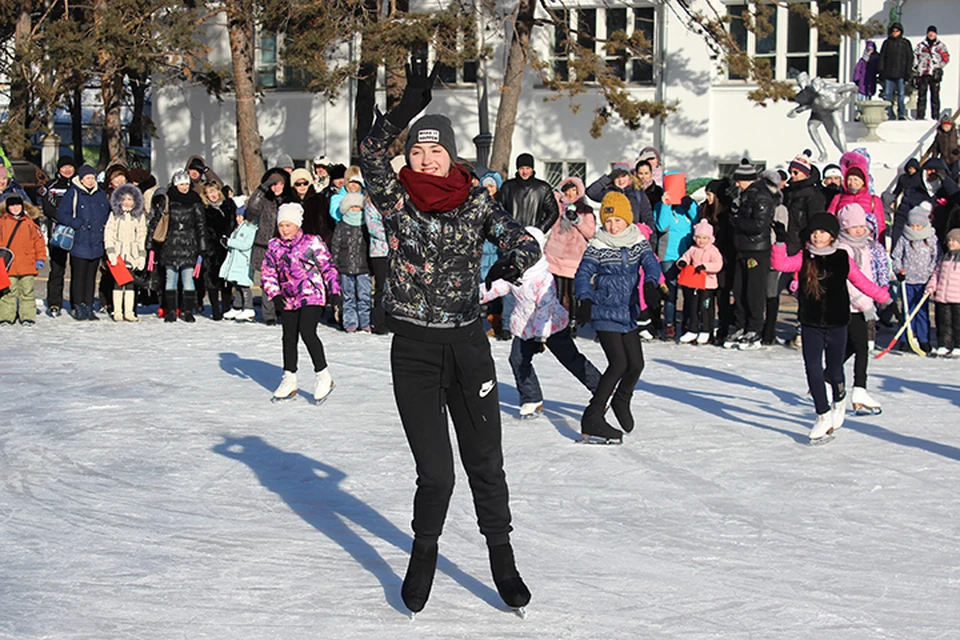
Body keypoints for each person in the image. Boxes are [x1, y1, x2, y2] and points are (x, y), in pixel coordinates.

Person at [358, 64, 539, 615]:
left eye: (436, 151)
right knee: (435, 473)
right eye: (417, 151)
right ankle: (424, 553)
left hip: (466, 347)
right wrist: (403, 110)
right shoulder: (395, 200)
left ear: (453, 155)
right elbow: (369, 152)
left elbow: (521, 240)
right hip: (413, 351)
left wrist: (512, 259)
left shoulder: (476, 201)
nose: (426, 159)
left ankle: (502, 562)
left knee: (485, 461)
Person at [770, 213, 891, 443]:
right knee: (813, 368)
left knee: (834, 371)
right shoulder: (804, 257)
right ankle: (822, 414)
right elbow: (780, 264)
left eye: (823, 232)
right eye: (814, 232)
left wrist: (886, 299)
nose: (817, 236)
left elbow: (862, 283)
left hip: (837, 323)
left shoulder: (843, 257)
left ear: (832, 235)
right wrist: (779, 243)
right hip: (810, 323)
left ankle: (839, 400)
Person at [482, 226, 601, 418]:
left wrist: (541, 336)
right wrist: (472, 295)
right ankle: (532, 398)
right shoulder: (515, 273)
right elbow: (496, 287)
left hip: (551, 327)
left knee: (570, 359)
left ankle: (601, 388)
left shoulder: (544, 277)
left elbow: (544, 309)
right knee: (518, 360)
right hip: (525, 327)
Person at [575, 191, 662, 442]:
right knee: (619, 364)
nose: (612, 226)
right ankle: (593, 416)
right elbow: (583, 273)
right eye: (608, 221)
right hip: (604, 310)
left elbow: (651, 263)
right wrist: (585, 298)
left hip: (628, 311)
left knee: (636, 364)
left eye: (617, 221)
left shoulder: (637, 240)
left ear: (627, 220)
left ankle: (621, 400)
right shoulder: (598, 244)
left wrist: (651, 284)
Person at [261, 202, 340, 402]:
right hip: (287, 297)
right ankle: (289, 378)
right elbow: (268, 272)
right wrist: (275, 294)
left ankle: (323, 374)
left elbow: (328, 267)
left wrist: (335, 290)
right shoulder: (274, 246)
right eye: (281, 225)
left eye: (289, 225)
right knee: (288, 337)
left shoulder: (311, 242)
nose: (285, 229)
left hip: (312, 293)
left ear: (297, 224)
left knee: (307, 330)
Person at [835, 204, 890, 414]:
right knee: (858, 346)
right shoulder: (844, 248)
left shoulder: (866, 246)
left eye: (861, 226)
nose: (859, 230)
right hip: (848, 305)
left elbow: (867, 276)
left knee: (857, 346)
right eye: (853, 227)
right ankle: (856, 387)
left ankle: (852, 386)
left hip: (862, 304)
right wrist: (866, 303)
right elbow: (849, 282)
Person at [724, 159, 775, 350]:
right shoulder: (744, 195)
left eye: (739, 180)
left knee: (754, 290)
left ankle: (754, 327)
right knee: (739, 289)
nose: (737, 184)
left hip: (756, 250)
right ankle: (740, 325)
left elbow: (759, 225)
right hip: (742, 249)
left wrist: (736, 221)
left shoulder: (761, 197)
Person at [147, 170, 207, 323]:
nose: (185, 187)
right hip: (170, 244)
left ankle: (187, 311)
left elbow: (201, 225)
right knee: (170, 279)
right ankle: (171, 310)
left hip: (189, 245)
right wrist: (151, 245)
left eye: (187, 183)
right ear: (175, 184)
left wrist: (202, 247)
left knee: (188, 279)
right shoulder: (168, 200)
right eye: (181, 184)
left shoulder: (195, 200)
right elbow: (156, 222)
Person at [57, 165, 111, 320]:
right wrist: (75, 223)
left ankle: (88, 305)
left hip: (96, 240)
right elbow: (62, 214)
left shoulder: (100, 194)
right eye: (87, 178)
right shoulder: (73, 193)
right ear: (81, 179)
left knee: (91, 276)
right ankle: (78, 305)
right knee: (79, 275)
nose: (90, 181)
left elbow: (107, 213)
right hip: (79, 240)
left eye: (93, 178)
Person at [544, 176, 595, 336]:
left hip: (575, 257)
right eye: (568, 190)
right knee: (557, 291)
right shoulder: (558, 208)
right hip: (556, 254)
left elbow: (590, 233)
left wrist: (578, 220)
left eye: (574, 190)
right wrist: (558, 194)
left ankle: (572, 321)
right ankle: (558, 321)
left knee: (573, 293)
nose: (571, 193)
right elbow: (549, 212)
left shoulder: (585, 210)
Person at [891, 202, 940, 352]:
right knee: (907, 309)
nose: (914, 228)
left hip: (924, 280)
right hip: (907, 280)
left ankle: (924, 339)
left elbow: (937, 258)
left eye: (917, 226)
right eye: (912, 225)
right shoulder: (905, 238)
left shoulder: (931, 238)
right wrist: (899, 271)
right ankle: (906, 338)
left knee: (921, 311)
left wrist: (931, 273)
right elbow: (896, 256)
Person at [653, 173, 698, 340]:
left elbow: (698, 222)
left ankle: (687, 323)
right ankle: (669, 324)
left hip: (687, 255)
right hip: (668, 255)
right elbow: (661, 226)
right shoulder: (660, 206)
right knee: (670, 293)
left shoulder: (687, 206)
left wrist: (690, 205)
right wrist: (665, 205)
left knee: (688, 292)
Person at [249, 169, 292, 324]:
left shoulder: (289, 199)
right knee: (268, 281)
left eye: (279, 183)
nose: (276, 187)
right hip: (265, 245)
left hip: (285, 245)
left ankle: (285, 311)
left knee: (285, 280)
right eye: (273, 184)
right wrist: (263, 187)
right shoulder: (265, 200)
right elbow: (252, 208)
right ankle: (269, 315)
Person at [699, 179, 736, 344]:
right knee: (707, 296)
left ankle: (724, 327)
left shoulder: (726, 212)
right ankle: (706, 327)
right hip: (705, 258)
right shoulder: (704, 209)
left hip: (723, 259)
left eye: (709, 194)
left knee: (723, 295)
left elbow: (728, 236)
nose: (707, 198)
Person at [103, 184, 148, 322]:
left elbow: (142, 235)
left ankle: (129, 311)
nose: (127, 202)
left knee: (130, 283)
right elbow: (109, 233)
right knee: (118, 282)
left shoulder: (139, 216)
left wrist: (141, 255)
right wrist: (110, 251)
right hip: (118, 253)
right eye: (124, 199)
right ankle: (117, 311)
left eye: (130, 199)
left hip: (132, 254)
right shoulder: (115, 215)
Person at [676, 219, 724, 344]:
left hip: (708, 284)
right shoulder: (693, 249)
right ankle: (692, 329)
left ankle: (706, 330)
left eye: (704, 238)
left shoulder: (713, 250)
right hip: (695, 283)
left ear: (709, 238)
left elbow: (718, 264)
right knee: (693, 307)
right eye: (698, 237)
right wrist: (682, 262)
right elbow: (685, 257)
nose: (701, 241)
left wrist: (705, 266)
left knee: (705, 308)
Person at [0, 195, 46, 325]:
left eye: (18, 205)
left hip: (28, 263)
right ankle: (6, 316)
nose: (15, 208)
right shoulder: (2, 222)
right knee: (8, 293)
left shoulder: (29, 222)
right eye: (12, 206)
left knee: (27, 292)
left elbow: (39, 242)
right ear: (7, 207)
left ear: (22, 206)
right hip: (9, 264)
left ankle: (27, 316)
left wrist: (40, 258)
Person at [330, 192, 372, 332]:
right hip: (344, 266)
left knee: (364, 296)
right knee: (348, 296)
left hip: (363, 266)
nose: (355, 211)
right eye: (352, 207)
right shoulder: (341, 225)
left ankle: (365, 321)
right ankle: (350, 322)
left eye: (358, 207)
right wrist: (334, 265)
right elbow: (335, 246)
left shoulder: (366, 225)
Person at [41, 156, 76, 316]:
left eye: (70, 167)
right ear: (59, 169)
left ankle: (77, 303)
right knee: (57, 269)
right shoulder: (51, 186)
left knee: (78, 270)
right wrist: (65, 221)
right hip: (58, 233)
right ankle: (54, 302)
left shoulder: (78, 185)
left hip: (77, 232)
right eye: (64, 167)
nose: (67, 170)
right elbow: (48, 208)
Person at [827, 151, 886, 240]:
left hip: (866, 242)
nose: (852, 183)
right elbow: (829, 220)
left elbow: (880, 225)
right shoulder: (838, 198)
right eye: (849, 179)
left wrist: (881, 245)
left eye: (856, 179)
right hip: (842, 241)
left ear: (863, 181)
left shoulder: (874, 200)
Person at [201, 180, 237, 320]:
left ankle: (226, 308)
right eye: (210, 192)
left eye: (215, 191)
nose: (213, 195)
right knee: (212, 280)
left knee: (226, 280)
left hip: (227, 247)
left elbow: (233, 221)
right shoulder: (206, 210)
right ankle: (216, 310)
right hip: (212, 248)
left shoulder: (227, 206)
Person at [497, 153, 560, 232]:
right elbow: (498, 210)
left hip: (533, 235)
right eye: (522, 168)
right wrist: (507, 227)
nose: (525, 172)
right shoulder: (507, 187)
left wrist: (540, 229)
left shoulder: (543, 188)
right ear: (517, 169)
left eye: (528, 168)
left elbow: (553, 212)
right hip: (512, 234)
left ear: (532, 169)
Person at [585, 161, 654, 230]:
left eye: (623, 176)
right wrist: (608, 178)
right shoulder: (609, 193)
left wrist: (652, 238)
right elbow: (590, 192)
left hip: (633, 236)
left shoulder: (637, 193)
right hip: (613, 233)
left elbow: (648, 217)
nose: (621, 180)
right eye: (617, 177)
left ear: (629, 176)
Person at [926, 228, 960, 356]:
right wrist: (932, 286)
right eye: (949, 240)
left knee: (957, 324)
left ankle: (958, 345)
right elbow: (936, 274)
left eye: (955, 241)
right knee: (943, 323)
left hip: (958, 298)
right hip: (942, 297)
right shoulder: (944, 258)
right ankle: (944, 344)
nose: (951, 243)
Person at [220, 209, 259, 322]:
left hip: (244, 263)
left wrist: (229, 242)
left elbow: (246, 245)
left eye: (240, 216)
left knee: (244, 286)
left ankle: (248, 307)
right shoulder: (238, 228)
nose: (237, 219)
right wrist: (226, 243)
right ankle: (237, 306)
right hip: (236, 262)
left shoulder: (251, 229)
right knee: (237, 285)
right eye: (236, 216)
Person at [914, 25, 950, 121]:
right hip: (923, 73)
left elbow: (946, 58)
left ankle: (935, 116)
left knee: (935, 96)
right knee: (921, 96)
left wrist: (938, 66)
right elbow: (915, 57)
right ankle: (920, 116)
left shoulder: (940, 46)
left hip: (934, 74)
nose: (931, 34)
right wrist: (916, 69)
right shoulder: (921, 45)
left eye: (933, 32)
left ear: (936, 34)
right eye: (930, 32)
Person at [878, 22, 913, 121]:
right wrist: (881, 71)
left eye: (897, 31)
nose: (895, 33)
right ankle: (888, 113)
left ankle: (901, 113)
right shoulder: (887, 43)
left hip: (901, 73)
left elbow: (909, 58)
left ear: (900, 32)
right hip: (888, 73)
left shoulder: (905, 43)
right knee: (888, 95)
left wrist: (908, 72)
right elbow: (882, 57)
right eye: (893, 31)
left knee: (901, 95)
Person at [925, 110, 959, 181]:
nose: (945, 127)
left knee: (955, 174)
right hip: (944, 159)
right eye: (944, 125)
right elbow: (935, 147)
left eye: (947, 125)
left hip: (955, 158)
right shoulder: (939, 135)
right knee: (945, 176)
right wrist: (934, 157)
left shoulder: (956, 133)